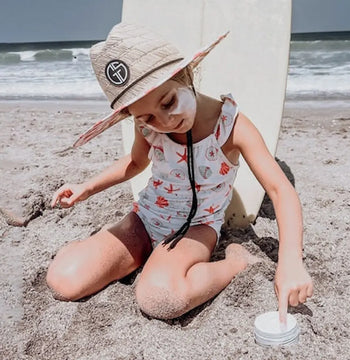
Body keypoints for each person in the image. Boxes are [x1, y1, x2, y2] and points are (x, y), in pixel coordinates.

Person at [47, 22, 313, 322]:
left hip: (196, 228)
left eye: (169, 102)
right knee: (63, 280)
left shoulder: (231, 126)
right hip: (146, 218)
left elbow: (281, 190)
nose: (165, 121)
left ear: (186, 74)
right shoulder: (146, 124)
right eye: (147, 117)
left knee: (158, 297)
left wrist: (290, 261)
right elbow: (135, 163)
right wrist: (87, 187)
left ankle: (236, 262)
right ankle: (141, 256)